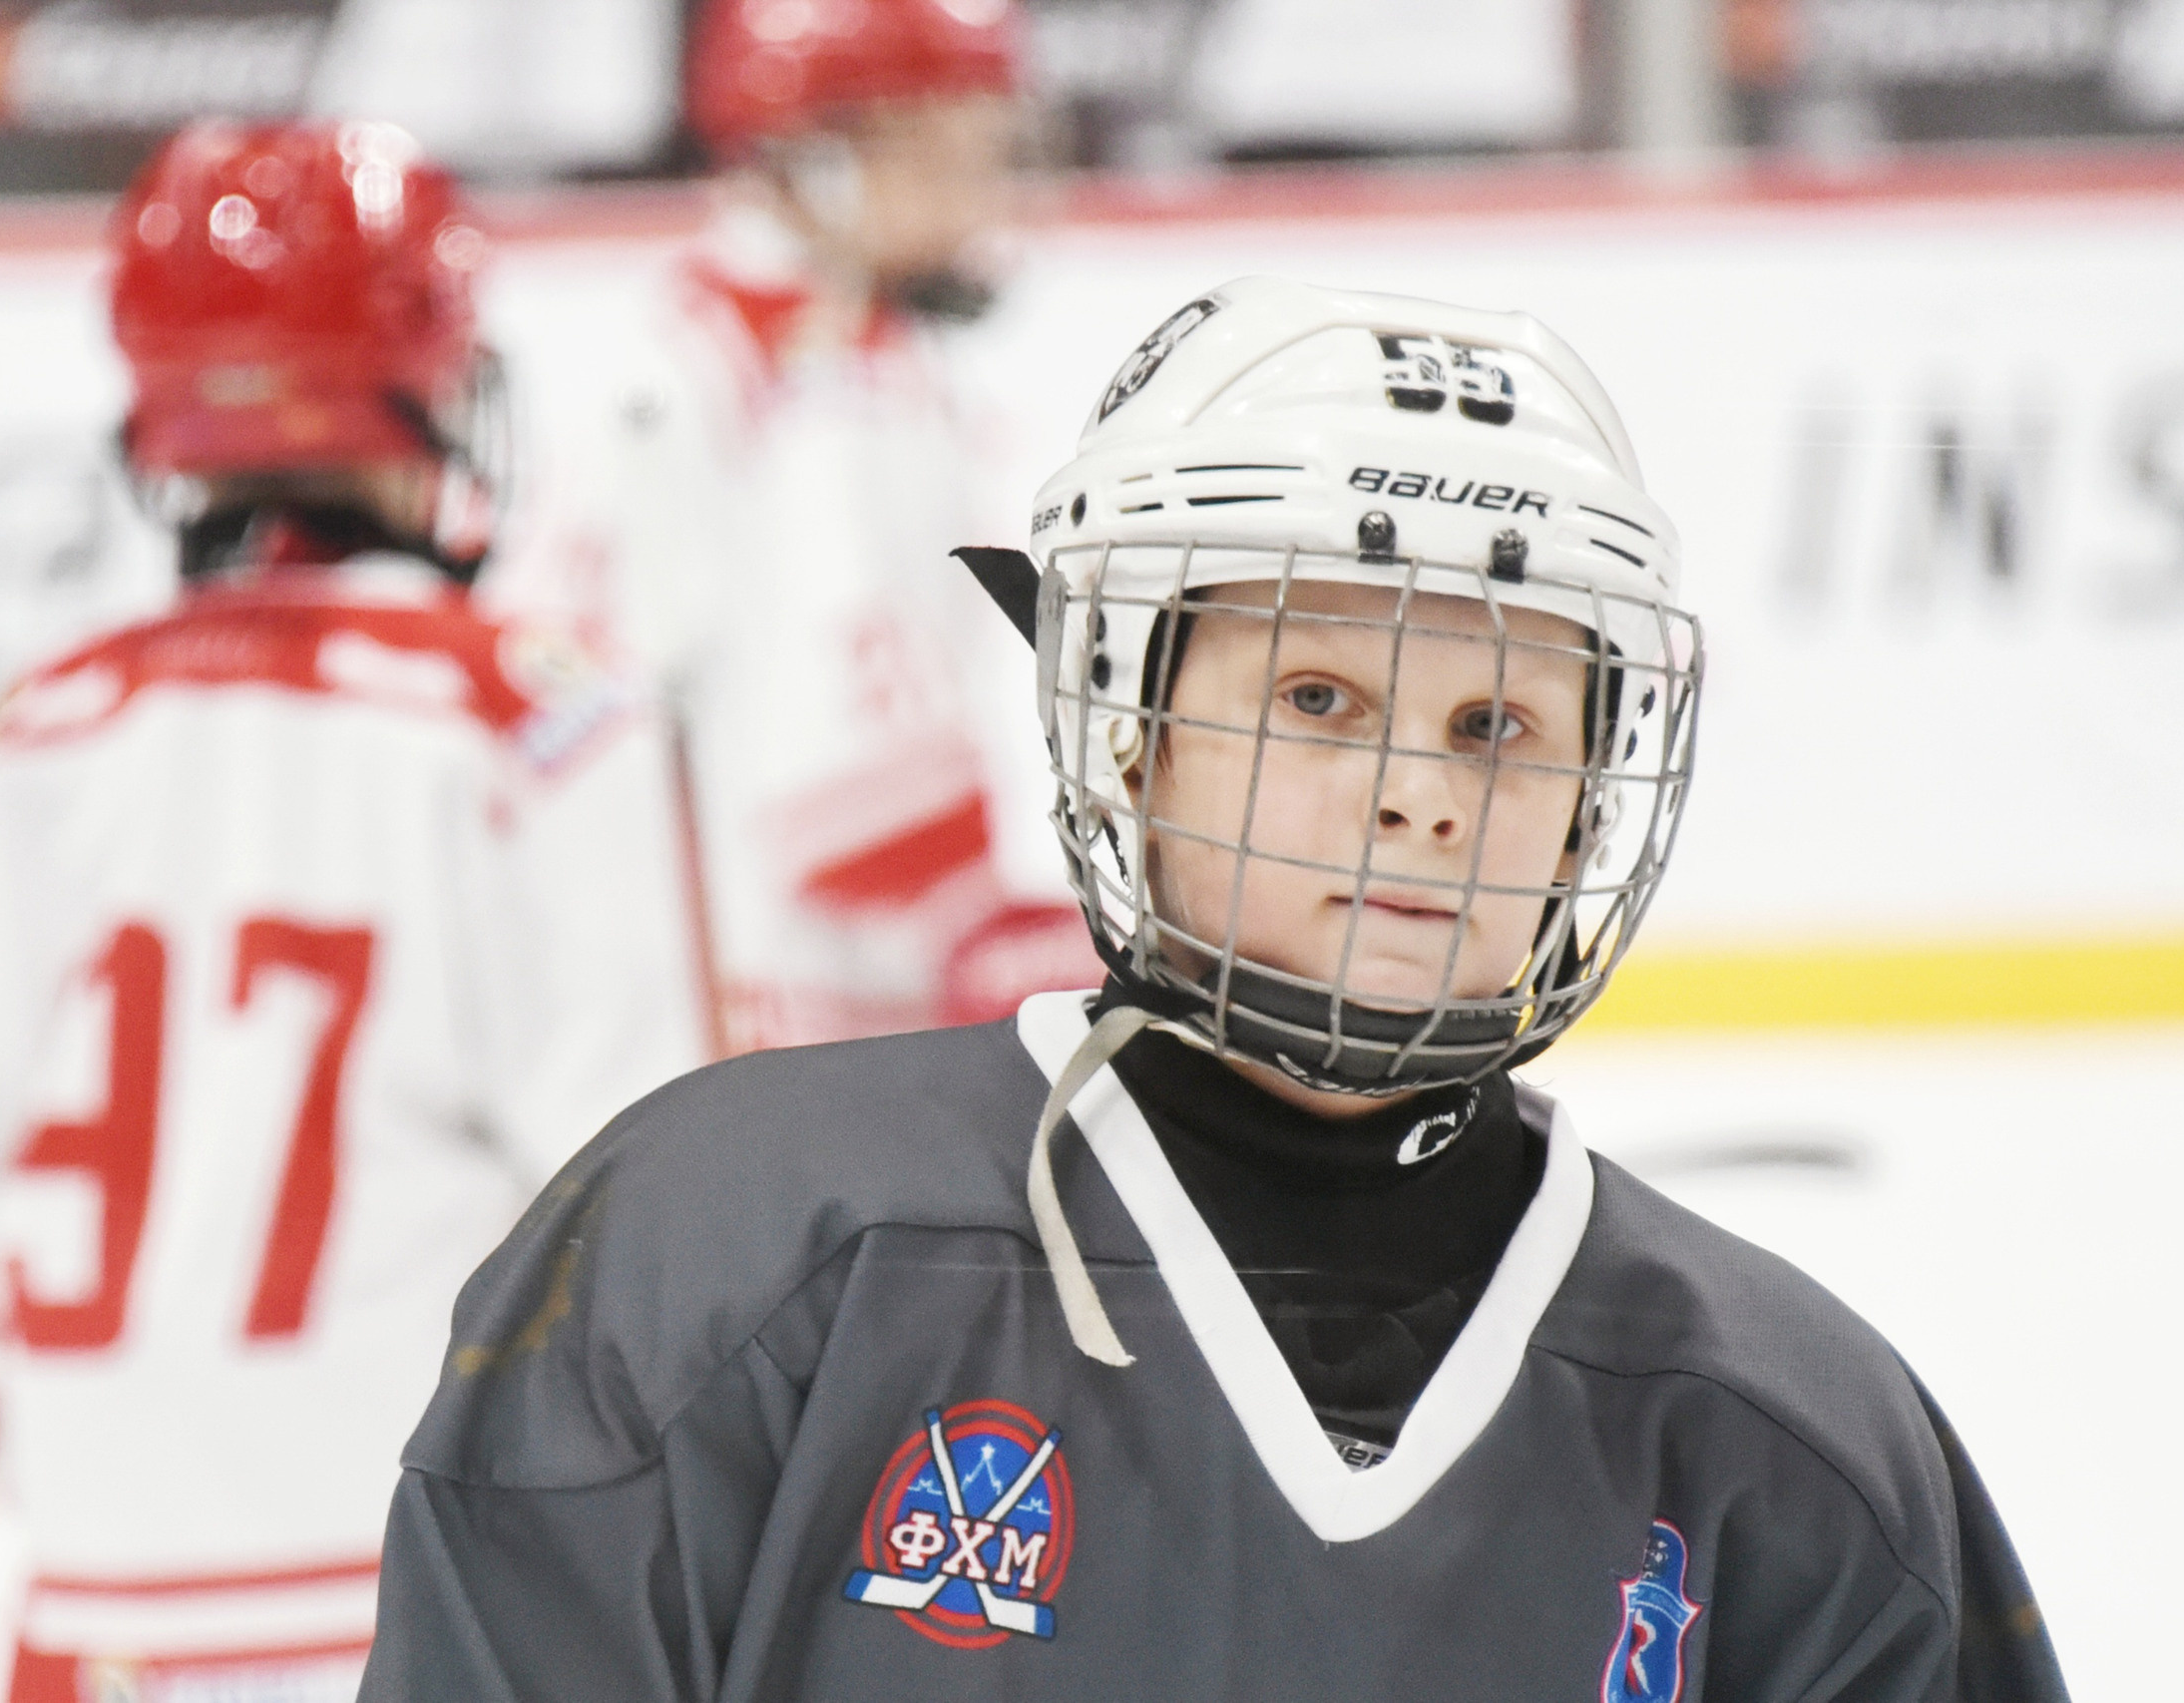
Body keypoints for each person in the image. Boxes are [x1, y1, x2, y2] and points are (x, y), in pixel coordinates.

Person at [358, 276, 2072, 1702]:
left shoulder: (1795, 1441)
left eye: (1501, 725)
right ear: (1129, 730)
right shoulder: (722, 1264)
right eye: (1320, 699)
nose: (1423, 795)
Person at [0, 120, 700, 1703]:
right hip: (429, 1599)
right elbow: (650, 1237)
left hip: (97, 1611)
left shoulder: (35, 736)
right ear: (418, 385)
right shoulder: (541, 726)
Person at [490, 0, 1095, 1058]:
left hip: (680, 974)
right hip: (784, 992)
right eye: (954, 151)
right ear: (823, 164)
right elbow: (860, 815)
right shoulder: (819, 378)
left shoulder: (708, 338)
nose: (985, 193)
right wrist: (1000, 941)